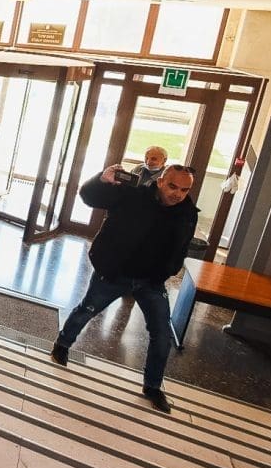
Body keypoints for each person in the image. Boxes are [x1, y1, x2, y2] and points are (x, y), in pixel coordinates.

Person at [50, 164, 198, 414]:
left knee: (162, 334)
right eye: (173, 186)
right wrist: (101, 179)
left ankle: (152, 387)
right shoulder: (133, 195)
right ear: (160, 181)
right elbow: (89, 197)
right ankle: (62, 345)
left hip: (151, 281)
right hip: (115, 274)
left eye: (184, 190)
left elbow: (182, 246)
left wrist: (170, 269)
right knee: (87, 309)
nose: (178, 194)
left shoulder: (187, 213)